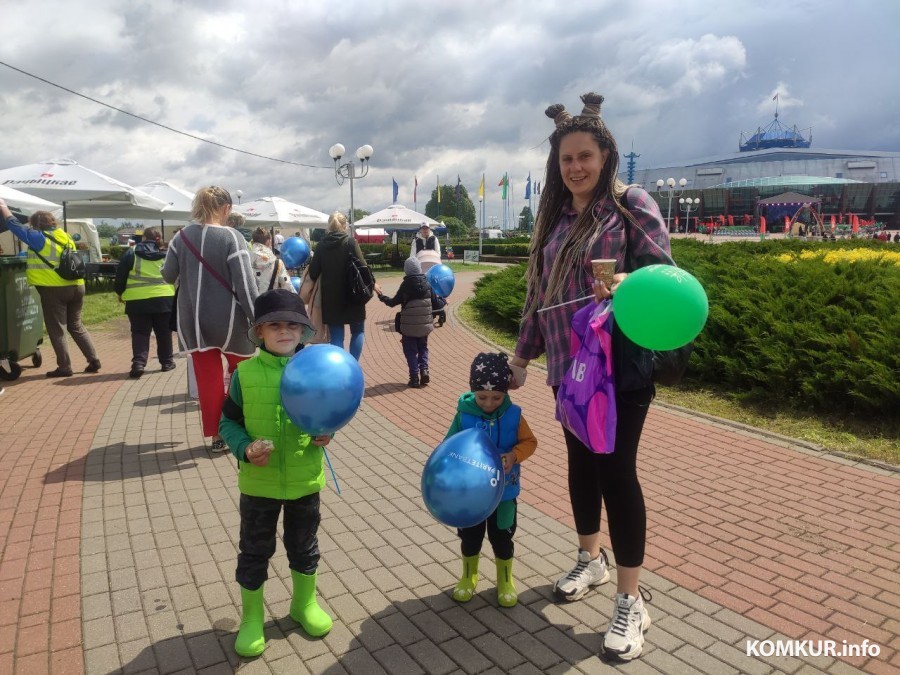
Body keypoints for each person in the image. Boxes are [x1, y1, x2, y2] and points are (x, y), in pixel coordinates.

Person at [510, 93, 673, 662]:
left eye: (585, 156)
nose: (575, 167)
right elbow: (539, 296)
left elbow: (665, 276)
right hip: (567, 367)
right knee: (581, 466)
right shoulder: (554, 220)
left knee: (616, 472)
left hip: (617, 367)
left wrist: (628, 284)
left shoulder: (630, 206)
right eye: (566, 159)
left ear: (606, 156)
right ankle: (590, 559)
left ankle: (632, 600)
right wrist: (522, 357)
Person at [218, 289, 332, 657]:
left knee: (304, 546)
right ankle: (252, 618)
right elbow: (227, 422)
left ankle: (304, 604)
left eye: (292, 325)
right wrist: (245, 449)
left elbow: (329, 413)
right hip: (259, 484)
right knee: (254, 551)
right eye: (274, 325)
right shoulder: (245, 374)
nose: (285, 331)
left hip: (304, 480)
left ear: (303, 331)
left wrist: (326, 432)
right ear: (260, 332)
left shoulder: (315, 373)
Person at [161, 186, 258, 451]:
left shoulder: (180, 238)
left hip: (194, 324)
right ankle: (245, 427)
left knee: (209, 381)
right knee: (245, 376)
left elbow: (167, 275)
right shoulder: (232, 237)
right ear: (226, 208)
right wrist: (258, 320)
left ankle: (217, 436)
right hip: (231, 322)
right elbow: (245, 285)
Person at [445, 352, 537, 608]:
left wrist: (514, 455)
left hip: (504, 493)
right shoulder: (463, 416)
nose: (488, 403)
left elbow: (530, 442)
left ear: (506, 391)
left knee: (502, 537)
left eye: (496, 397)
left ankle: (505, 580)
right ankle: (468, 577)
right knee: (470, 537)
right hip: (471, 495)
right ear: (473, 390)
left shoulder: (514, 415)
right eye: (482, 397)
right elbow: (448, 447)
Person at [0, 199, 101, 377]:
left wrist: (3, 207)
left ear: (36, 225)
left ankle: (64, 367)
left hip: (54, 290)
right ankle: (94, 360)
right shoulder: (65, 236)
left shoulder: (39, 237)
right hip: (77, 286)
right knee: (76, 325)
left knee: (57, 329)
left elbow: (15, 226)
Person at [113, 226, 176, 378]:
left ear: (143, 238)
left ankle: (138, 363)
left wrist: (120, 293)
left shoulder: (131, 253)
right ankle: (167, 362)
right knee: (164, 332)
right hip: (164, 299)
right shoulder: (166, 254)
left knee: (140, 332)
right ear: (159, 238)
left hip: (137, 300)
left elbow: (120, 277)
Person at [307, 211, 370, 361]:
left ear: (328, 226)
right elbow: (363, 267)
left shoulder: (321, 246)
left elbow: (313, 272)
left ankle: (340, 367)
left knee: (336, 337)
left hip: (331, 298)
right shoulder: (351, 243)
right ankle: (353, 364)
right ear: (345, 225)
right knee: (358, 331)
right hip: (353, 294)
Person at [376, 257, 433, 387]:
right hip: (424, 325)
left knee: (410, 351)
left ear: (406, 270)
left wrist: (381, 296)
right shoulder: (427, 284)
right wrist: (444, 300)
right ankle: (424, 370)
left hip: (408, 327)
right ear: (419, 268)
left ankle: (414, 378)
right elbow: (436, 303)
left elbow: (392, 302)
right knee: (423, 347)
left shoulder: (405, 285)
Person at [249, 227, 295, 294]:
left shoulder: (245, 259)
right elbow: (287, 286)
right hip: (270, 299)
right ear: (268, 241)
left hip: (248, 299)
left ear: (253, 241)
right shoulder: (277, 263)